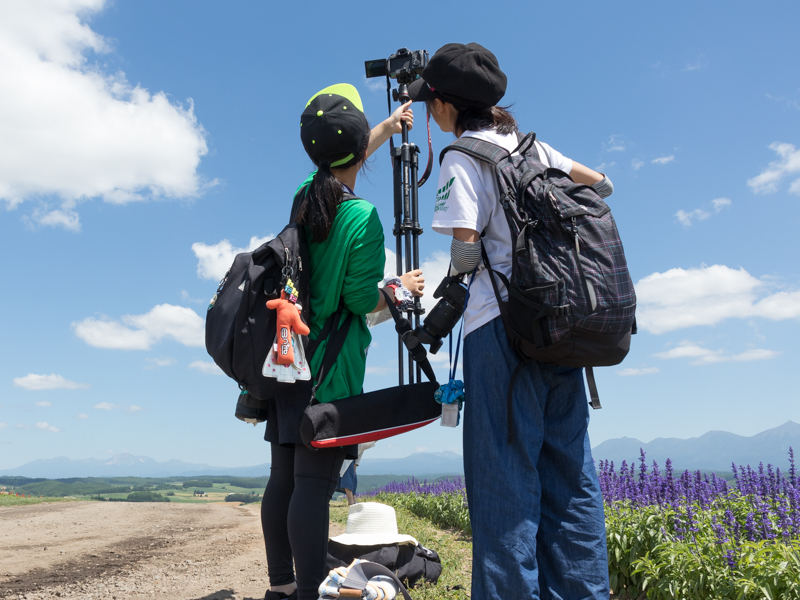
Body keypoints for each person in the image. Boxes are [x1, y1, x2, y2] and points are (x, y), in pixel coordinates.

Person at [409, 43, 614, 599]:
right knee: (571, 481)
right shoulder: (533, 147)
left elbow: (466, 254)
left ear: (446, 105)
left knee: (504, 487)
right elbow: (600, 184)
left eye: (431, 103)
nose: (430, 112)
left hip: (499, 333)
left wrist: (436, 314)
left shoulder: (461, 157)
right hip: (563, 331)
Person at [260, 84, 424, 600]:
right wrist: (400, 289)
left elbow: (339, 164)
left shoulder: (305, 197)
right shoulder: (363, 219)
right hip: (329, 371)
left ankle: (284, 586)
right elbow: (359, 300)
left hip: (287, 358)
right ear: (357, 151)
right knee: (313, 484)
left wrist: (387, 125)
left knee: (282, 477)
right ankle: (310, 592)